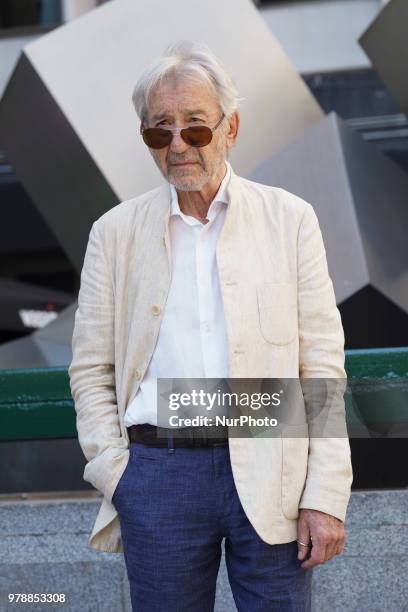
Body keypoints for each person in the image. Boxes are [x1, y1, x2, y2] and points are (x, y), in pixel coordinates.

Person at [68, 40, 353, 612]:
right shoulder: (114, 233)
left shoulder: (290, 220)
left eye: (195, 128)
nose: (178, 145)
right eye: (159, 131)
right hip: (158, 474)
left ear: (231, 128)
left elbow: (320, 365)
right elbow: (91, 369)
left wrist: (324, 494)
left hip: (274, 466)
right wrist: (119, 474)